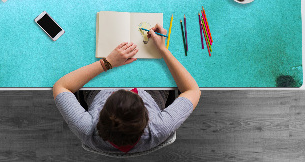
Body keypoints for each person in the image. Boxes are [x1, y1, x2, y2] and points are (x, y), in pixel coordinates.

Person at [53, 24, 201, 154]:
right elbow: (193, 90)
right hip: (153, 94)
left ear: (101, 115)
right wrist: (162, 49)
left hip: (97, 91)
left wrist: (107, 63)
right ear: (147, 118)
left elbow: (60, 86)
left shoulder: (87, 129)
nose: (129, 88)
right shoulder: (159, 128)